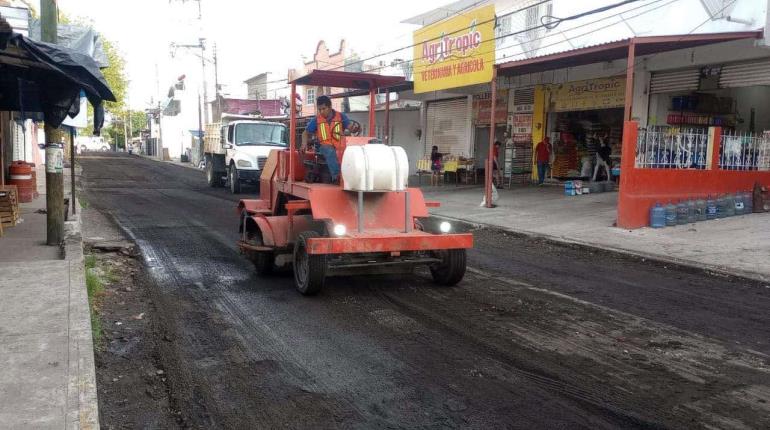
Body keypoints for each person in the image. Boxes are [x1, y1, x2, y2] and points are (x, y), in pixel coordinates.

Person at [300, 95, 359, 183]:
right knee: (330, 150)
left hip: (340, 146)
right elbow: (305, 133)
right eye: (319, 109)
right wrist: (304, 144)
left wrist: (354, 128)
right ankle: (337, 177)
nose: (321, 111)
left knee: (353, 152)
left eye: (324, 109)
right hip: (323, 147)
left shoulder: (341, 116)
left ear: (330, 107)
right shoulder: (316, 120)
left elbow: (350, 127)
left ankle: (355, 176)